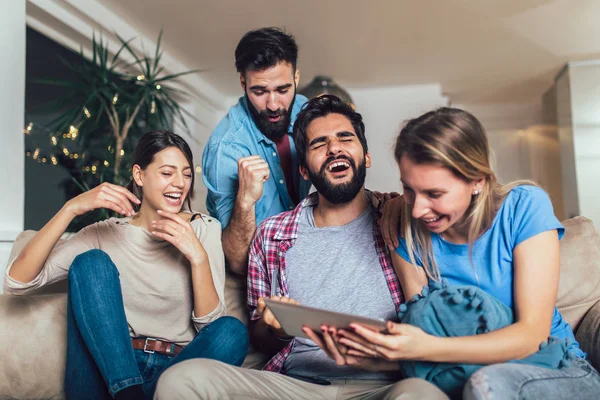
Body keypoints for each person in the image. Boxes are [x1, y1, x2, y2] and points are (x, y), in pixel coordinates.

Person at [154, 95, 448, 399]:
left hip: (381, 386)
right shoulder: (271, 235)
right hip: (296, 386)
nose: (334, 148)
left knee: (422, 394)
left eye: (345, 138)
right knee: (181, 379)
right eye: (319, 144)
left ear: (367, 157)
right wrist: (277, 329)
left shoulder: (400, 220)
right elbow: (260, 337)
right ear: (304, 170)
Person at [307, 108, 600, 399]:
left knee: (486, 385)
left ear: (477, 181)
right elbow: (426, 333)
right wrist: (370, 358)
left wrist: (424, 346)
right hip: (465, 377)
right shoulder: (405, 233)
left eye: (434, 194)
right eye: (409, 190)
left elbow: (531, 336)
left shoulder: (523, 208)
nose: (418, 209)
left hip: (555, 370)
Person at [4, 131, 248, 400]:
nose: (179, 183)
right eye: (167, 173)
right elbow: (17, 281)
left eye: (187, 174)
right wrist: (71, 208)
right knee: (90, 263)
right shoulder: (104, 233)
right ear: (139, 175)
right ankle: (128, 392)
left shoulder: (204, 229)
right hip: (107, 370)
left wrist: (198, 257)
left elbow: (210, 327)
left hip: (175, 375)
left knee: (232, 330)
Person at [202, 27, 311, 275]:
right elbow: (237, 261)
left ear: (296, 78)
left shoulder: (305, 112)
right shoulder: (226, 150)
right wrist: (245, 201)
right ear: (243, 82)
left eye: (283, 90)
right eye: (259, 91)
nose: (273, 105)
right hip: (255, 273)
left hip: (300, 258)